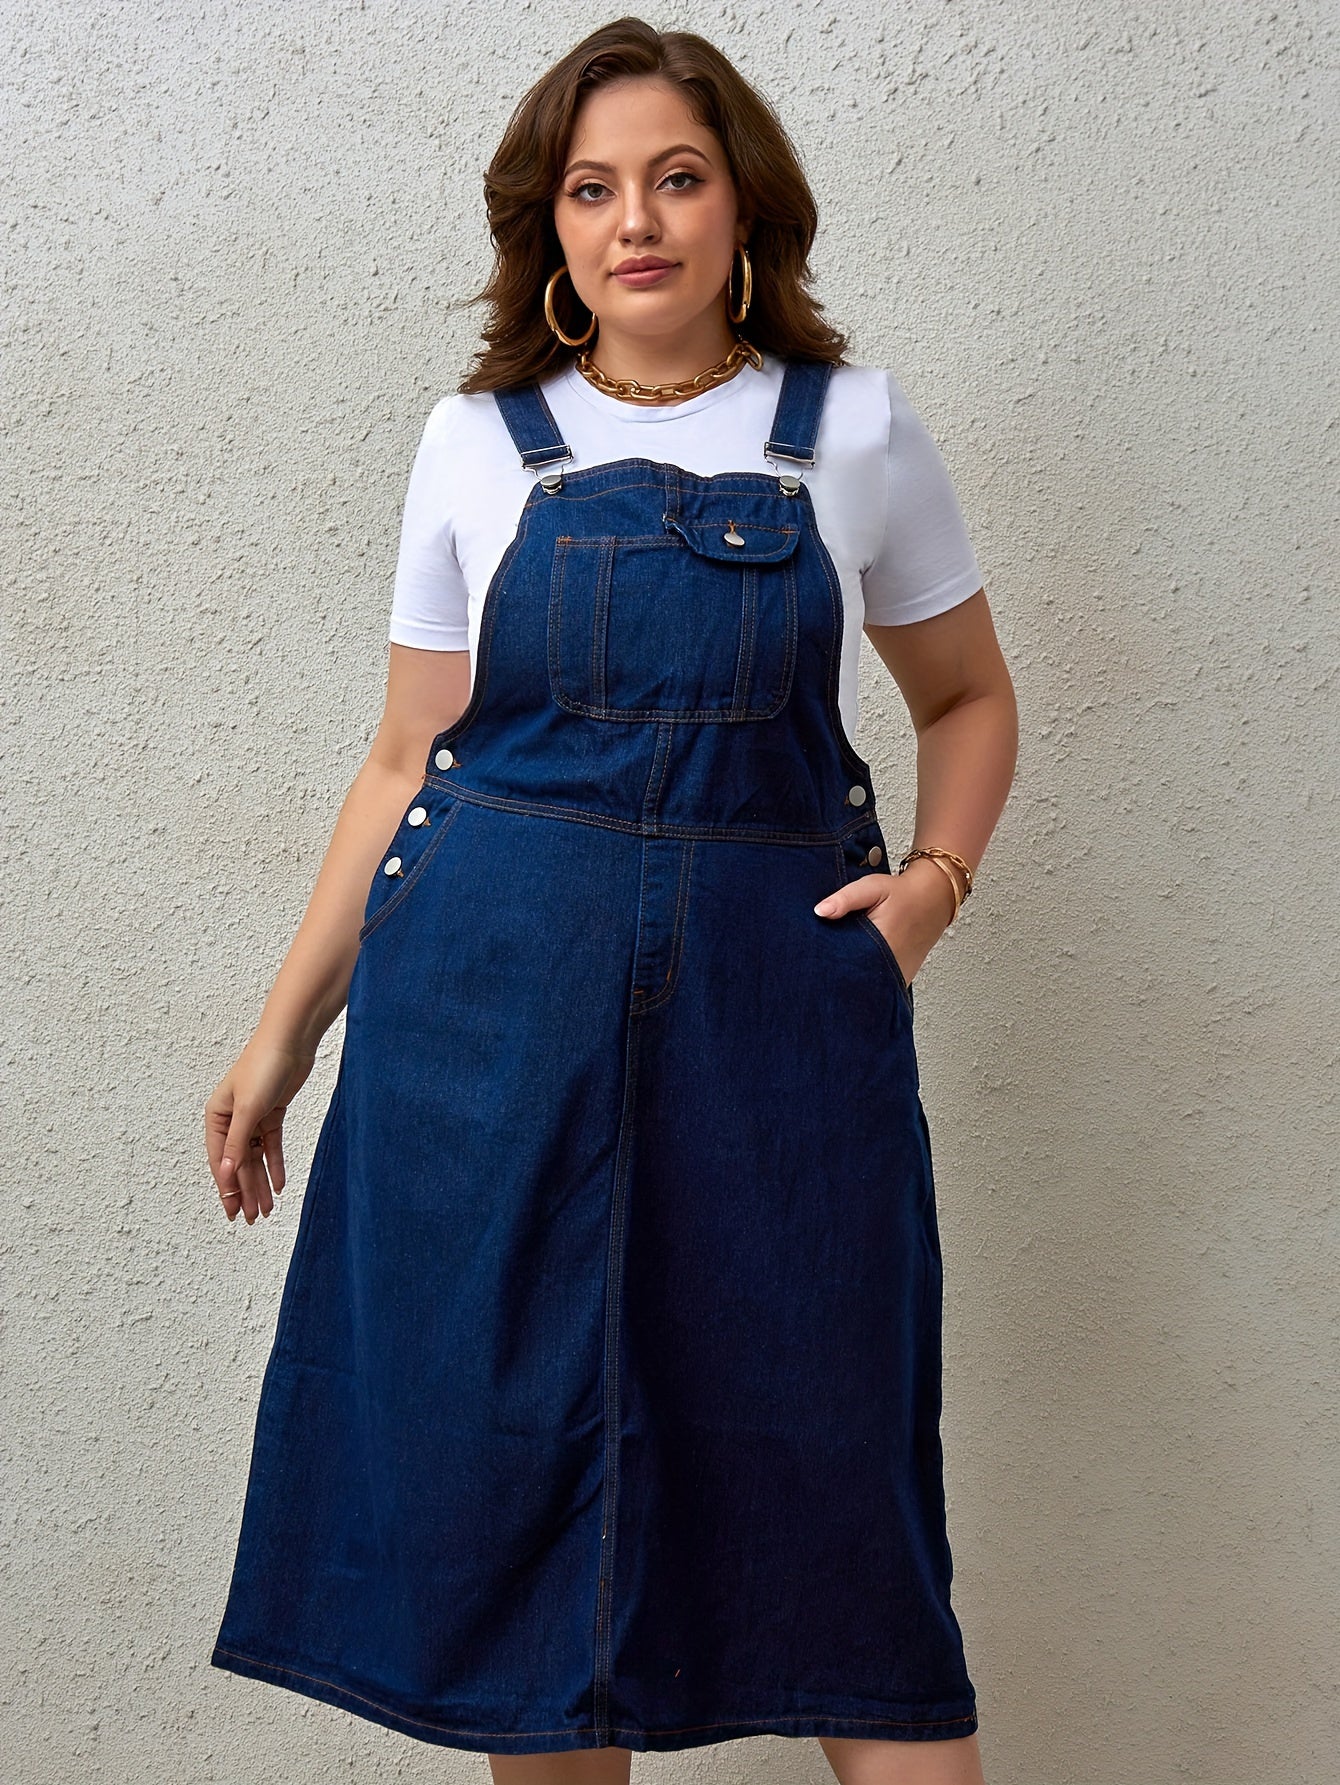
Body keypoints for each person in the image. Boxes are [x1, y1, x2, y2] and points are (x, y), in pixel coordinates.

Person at [204, 18, 1017, 1785]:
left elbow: (967, 697)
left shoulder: (854, 431)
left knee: (838, 1513)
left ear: (745, 207)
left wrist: (929, 894)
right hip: (488, 1036)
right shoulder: (474, 441)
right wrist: (283, 1034)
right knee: (527, 1525)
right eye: (592, 189)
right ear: (550, 227)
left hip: (774, 1042)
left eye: (675, 178)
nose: (634, 220)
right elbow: (405, 760)